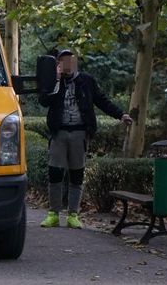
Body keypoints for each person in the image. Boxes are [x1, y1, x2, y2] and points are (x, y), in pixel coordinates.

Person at [38, 49, 133, 229]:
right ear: (58, 64)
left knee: (76, 173)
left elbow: (102, 101)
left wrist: (121, 115)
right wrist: (57, 80)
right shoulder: (54, 81)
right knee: (55, 173)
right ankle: (53, 214)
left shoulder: (86, 81)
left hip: (80, 132)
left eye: (70, 60)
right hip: (59, 133)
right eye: (62, 61)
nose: (67, 64)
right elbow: (44, 101)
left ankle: (73, 214)